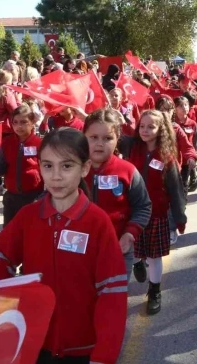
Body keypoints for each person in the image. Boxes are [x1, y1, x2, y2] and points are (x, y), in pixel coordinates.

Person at [0, 128, 127, 364]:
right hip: (35, 343)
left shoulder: (97, 223)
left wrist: (104, 355)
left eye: (66, 166)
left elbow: (112, 293)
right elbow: (0, 255)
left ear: (84, 168)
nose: (55, 176)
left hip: (83, 349)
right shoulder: (29, 216)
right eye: (47, 166)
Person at [122, 110, 187, 315]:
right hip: (132, 213)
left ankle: (154, 291)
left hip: (156, 215)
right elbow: (109, 131)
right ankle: (137, 262)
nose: (145, 130)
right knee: (132, 250)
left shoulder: (166, 157)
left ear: (161, 130)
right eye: (142, 126)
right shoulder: (132, 147)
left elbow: (176, 191)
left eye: (151, 127)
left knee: (154, 257)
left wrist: (178, 219)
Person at [83, 109, 152, 279]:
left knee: (113, 300)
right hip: (81, 250)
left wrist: (130, 233)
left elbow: (143, 206)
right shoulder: (72, 169)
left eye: (107, 138)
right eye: (93, 137)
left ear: (117, 139)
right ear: (83, 136)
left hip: (118, 249)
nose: (100, 143)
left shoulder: (127, 171)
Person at [0, 105, 44, 226]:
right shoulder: (6, 143)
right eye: (15, 122)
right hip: (11, 198)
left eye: (23, 122)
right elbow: (0, 166)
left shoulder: (40, 144)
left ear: (32, 122)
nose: (19, 126)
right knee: (10, 233)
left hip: (34, 197)